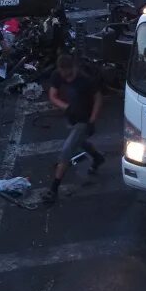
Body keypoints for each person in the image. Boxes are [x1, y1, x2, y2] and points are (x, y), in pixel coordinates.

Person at [42, 54, 104, 203]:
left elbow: (98, 98)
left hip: (84, 119)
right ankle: (97, 157)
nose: (64, 76)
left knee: (66, 150)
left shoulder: (85, 80)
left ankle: (53, 189)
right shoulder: (57, 75)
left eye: (67, 73)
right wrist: (66, 107)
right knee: (79, 142)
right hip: (72, 117)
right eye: (61, 73)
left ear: (72, 68)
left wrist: (92, 119)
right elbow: (52, 95)